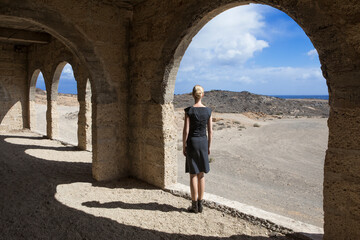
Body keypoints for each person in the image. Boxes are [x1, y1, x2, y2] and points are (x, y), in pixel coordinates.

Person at [183, 85, 213, 213]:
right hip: (203, 143)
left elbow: (186, 130)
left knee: (193, 174)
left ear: (192, 95)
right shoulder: (208, 111)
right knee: (201, 174)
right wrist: (208, 146)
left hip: (192, 143)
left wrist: (184, 144)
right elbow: (210, 131)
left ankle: (194, 205)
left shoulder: (189, 110)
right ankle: (200, 205)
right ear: (203, 95)